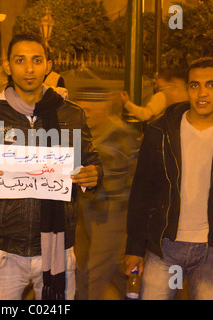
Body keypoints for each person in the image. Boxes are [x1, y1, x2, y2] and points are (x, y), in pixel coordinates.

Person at [0, 32, 102, 300]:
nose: (29, 68)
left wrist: (94, 175)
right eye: (20, 60)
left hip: (58, 250)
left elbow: (90, 162)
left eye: (37, 60)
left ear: (48, 65)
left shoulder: (71, 114)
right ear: (7, 66)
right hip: (3, 252)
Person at [124, 57, 213, 300]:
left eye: (211, 85)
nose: (202, 93)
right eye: (195, 85)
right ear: (187, 89)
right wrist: (134, 248)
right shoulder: (160, 132)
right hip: (163, 247)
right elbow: (142, 193)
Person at [74, 87, 140, 300]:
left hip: (112, 217)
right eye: (83, 108)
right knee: (118, 271)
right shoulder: (89, 135)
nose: (88, 112)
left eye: (92, 107)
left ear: (105, 107)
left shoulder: (119, 136)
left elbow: (111, 185)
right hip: (91, 215)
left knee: (93, 274)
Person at [120, 69, 189, 123]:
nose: (155, 82)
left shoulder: (161, 95)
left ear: (161, 80)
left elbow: (145, 115)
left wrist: (127, 103)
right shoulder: (180, 92)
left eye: (156, 79)